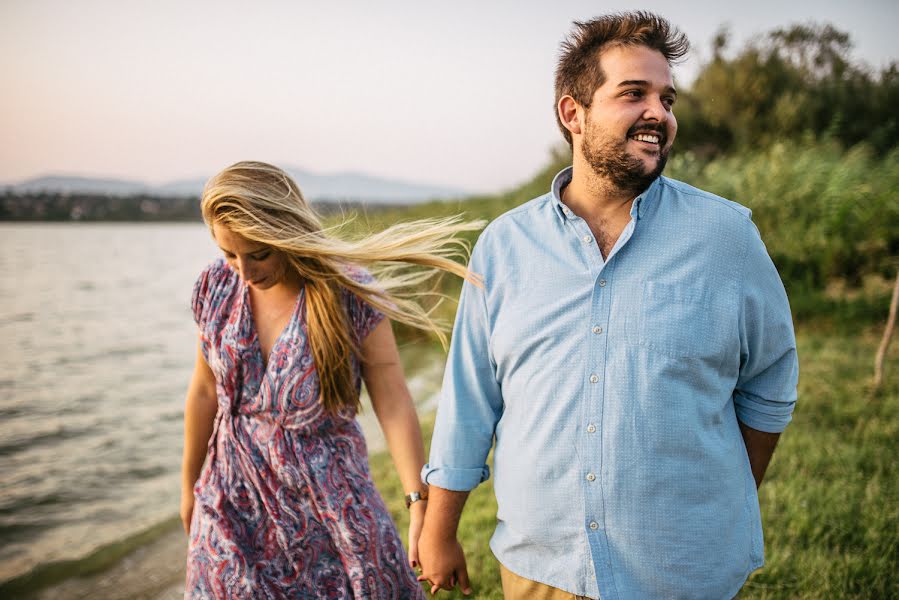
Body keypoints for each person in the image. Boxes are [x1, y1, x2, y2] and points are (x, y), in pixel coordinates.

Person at [417, 11, 799, 599]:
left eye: (667, 99)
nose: (660, 114)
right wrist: (439, 530)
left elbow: (771, 380)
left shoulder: (727, 238)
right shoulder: (504, 246)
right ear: (574, 113)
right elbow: (471, 399)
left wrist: (717, 499)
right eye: (634, 94)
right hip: (542, 572)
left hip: (683, 572)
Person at [180, 161, 482, 598]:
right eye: (229, 253)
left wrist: (419, 502)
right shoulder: (215, 287)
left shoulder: (349, 292)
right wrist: (190, 487)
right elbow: (205, 390)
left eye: (259, 253)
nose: (244, 271)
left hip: (329, 503)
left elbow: (393, 402)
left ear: (286, 234)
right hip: (230, 499)